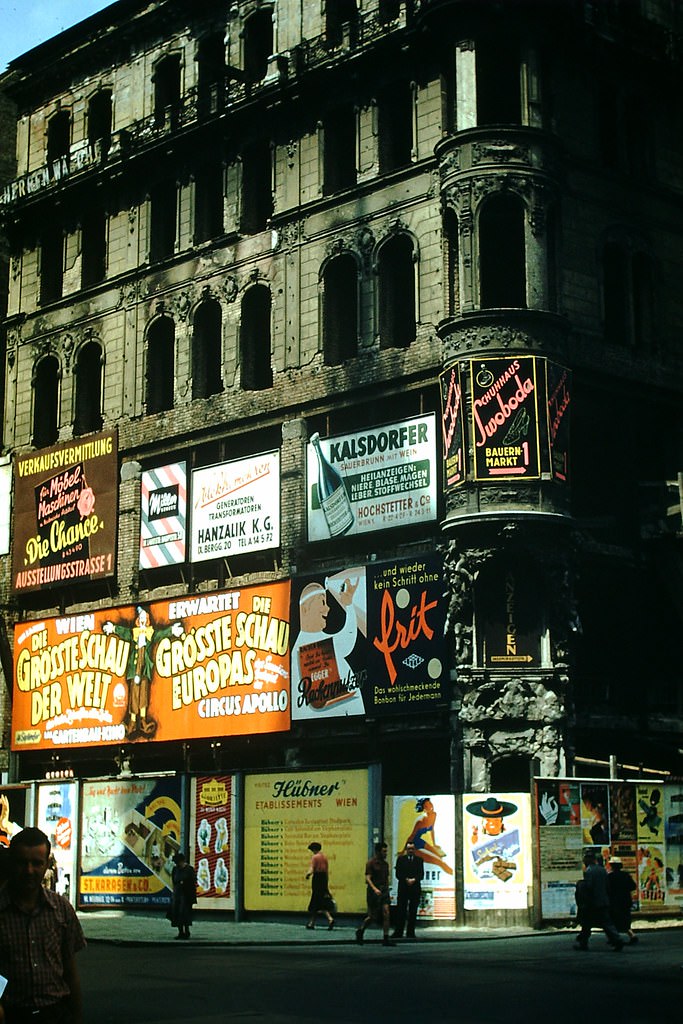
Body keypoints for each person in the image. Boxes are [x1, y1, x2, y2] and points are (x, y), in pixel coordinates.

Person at [0, 827, 85, 1023]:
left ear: (47, 863)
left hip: (55, 1014)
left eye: (37, 863)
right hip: (11, 1015)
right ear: (12, 862)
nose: (29, 871)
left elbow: (70, 971)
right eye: (22, 863)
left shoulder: (61, 909)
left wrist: (77, 1016)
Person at [573, 850, 623, 951]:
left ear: (588, 860)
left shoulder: (589, 871)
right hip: (603, 901)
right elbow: (607, 886)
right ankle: (617, 940)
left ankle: (584, 943)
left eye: (585, 859)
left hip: (593, 903)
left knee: (587, 923)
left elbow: (589, 887)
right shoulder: (602, 870)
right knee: (606, 923)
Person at [355, 842, 394, 946]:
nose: (386, 853)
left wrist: (387, 890)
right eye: (384, 851)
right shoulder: (371, 863)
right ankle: (361, 930)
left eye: (386, 851)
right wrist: (374, 889)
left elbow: (386, 878)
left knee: (386, 913)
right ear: (378, 851)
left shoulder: (385, 864)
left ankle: (386, 938)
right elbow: (368, 878)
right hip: (373, 891)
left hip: (384, 890)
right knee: (372, 916)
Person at [392, 840, 424, 939]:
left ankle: (411, 932)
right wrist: (406, 879)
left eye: (412, 849)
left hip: (415, 889)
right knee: (401, 911)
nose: (410, 851)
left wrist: (414, 879)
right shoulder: (401, 860)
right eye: (409, 849)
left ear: (415, 850)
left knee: (413, 911)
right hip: (403, 888)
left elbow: (421, 874)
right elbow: (398, 874)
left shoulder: (419, 860)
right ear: (406, 849)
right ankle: (399, 932)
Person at [607, 856, 638, 944]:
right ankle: (632, 935)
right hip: (625, 901)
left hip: (614, 902)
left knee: (613, 920)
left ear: (611, 866)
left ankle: (614, 938)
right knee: (625, 920)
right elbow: (633, 886)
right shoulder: (626, 875)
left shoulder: (610, 876)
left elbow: (607, 889)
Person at [305, 842, 334, 930]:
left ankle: (329, 918)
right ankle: (312, 923)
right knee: (317, 902)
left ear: (313, 849)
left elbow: (312, 868)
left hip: (317, 879)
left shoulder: (315, 857)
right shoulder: (324, 857)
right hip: (324, 879)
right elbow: (326, 870)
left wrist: (308, 874)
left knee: (317, 901)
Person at [169, 852, 197, 940]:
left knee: (184, 913)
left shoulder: (189, 869)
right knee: (176, 913)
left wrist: (184, 883)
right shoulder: (175, 869)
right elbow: (174, 880)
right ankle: (180, 932)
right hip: (177, 894)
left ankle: (187, 931)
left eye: (178, 862)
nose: (177, 864)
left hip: (186, 895)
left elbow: (193, 881)